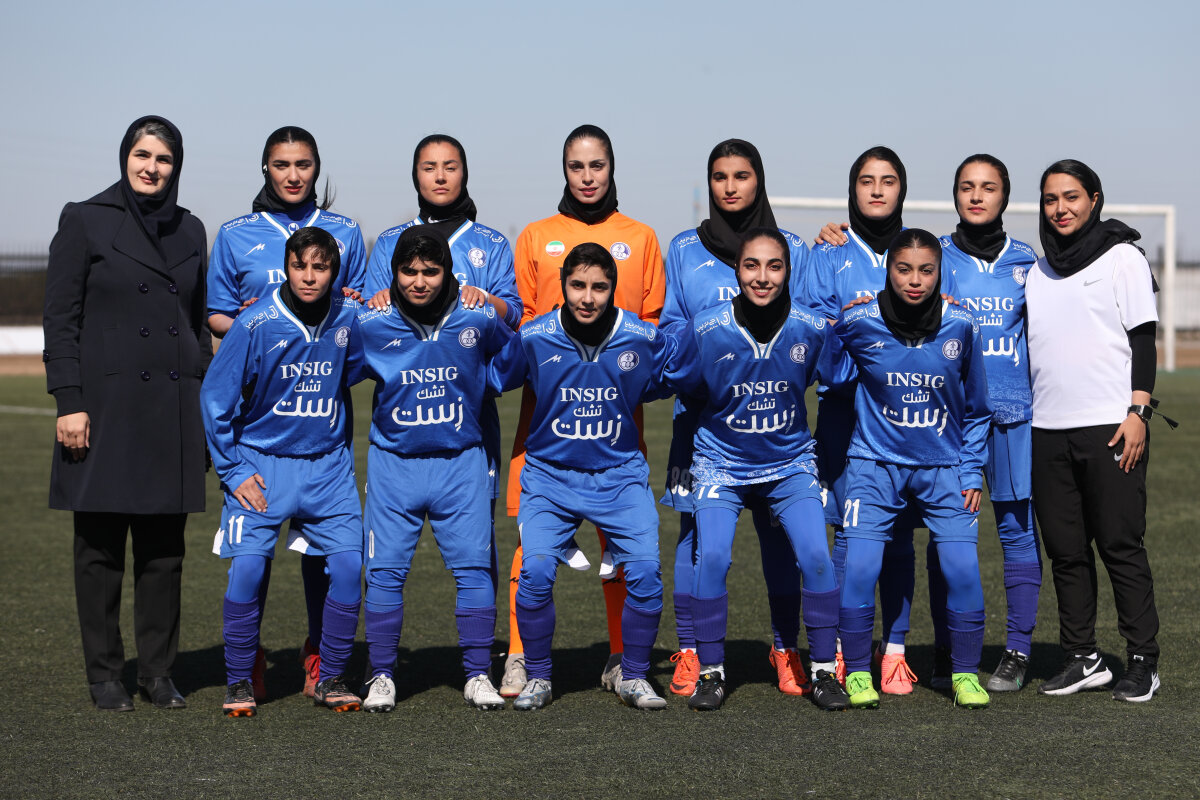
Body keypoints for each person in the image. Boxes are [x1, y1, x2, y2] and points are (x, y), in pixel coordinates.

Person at [44, 115, 209, 711]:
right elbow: (60, 318)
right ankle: (105, 675)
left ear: (176, 166)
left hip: (172, 408)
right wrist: (69, 402)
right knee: (99, 550)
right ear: (125, 157)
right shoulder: (85, 219)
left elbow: (195, 325)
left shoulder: (191, 229)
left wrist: (199, 397)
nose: (152, 167)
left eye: (164, 159)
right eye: (143, 155)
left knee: (165, 553)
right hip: (103, 409)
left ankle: (158, 673)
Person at [500, 125, 665, 697]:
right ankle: (520, 657)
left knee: (625, 549)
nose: (588, 176)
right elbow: (521, 327)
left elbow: (651, 331)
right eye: (577, 166)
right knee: (532, 547)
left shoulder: (641, 237)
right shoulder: (536, 236)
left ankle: (622, 658)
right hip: (546, 423)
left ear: (612, 168)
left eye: (597, 165)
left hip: (618, 425)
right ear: (564, 170)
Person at [206, 126, 367, 699]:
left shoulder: (347, 231)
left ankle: (326, 665)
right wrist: (260, 329)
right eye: (281, 164)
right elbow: (218, 317)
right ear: (265, 168)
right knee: (250, 566)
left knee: (342, 564)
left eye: (303, 164)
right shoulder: (236, 237)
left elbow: (361, 323)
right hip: (263, 442)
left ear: (317, 168)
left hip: (325, 450)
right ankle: (242, 671)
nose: (293, 174)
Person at [488, 243, 680, 711]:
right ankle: (538, 676)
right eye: (578, 285)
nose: (588, 297)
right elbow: (495, 376)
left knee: (647, 572)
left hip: (619, 474)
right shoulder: (535, 336)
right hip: (549, 477)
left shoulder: (640, 335)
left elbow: (677, 371)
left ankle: (634, 675)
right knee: (534, 569)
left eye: (599, 287)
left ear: (613, 289)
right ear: (563, 286)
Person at [667, 229, 847, 712]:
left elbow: (839, 374)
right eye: (752, 265)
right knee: (713, 557)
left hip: (789, 463)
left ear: (788, 271)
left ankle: (824, 669)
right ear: (737, 270)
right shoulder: (707, 327)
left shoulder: (812, 326)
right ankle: (711, 671)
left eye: (774, 266)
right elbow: (681, 381)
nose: (762, 277)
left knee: (816, 555)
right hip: (720, 464)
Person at [659, 140, 814, 698]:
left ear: (759, 181)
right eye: (720, 176)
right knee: (695, 537)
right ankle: (692, 651)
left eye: (741, 175)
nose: (730, 186)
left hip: (771, 428)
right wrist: (702, 364)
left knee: (779, 540)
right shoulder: (684, 248)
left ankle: (785, 648)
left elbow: (809, 325)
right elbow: (672, 327)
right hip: (700, 423)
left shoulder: (792, 247)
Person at [806, 146, 958, 693]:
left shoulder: (922, 251)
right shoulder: (829, 251)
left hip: (909, 418)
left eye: (888, 180)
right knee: (849, 534)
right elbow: (816, 330)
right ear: (852, 189)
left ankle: (894, 650)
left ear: (902, 189)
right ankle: (843, 650)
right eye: (866, 180)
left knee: (898, 537)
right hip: (846, 413)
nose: (876, 189)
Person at [350, 227, 514, 712]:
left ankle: (478, 673)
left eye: (430, 271)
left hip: (461, 462)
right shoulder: (371, 322)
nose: (419, 281)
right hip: (394, 464)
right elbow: (336, 365)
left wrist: (485, 380)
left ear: (448, 273)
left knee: (474, 570)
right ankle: (381, 674)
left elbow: (514, 357)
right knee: (384, 573)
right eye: (408, 271)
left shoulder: (477, 315)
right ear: (394, 273)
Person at [828, 228, 992, 710]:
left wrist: (970, 470)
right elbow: (829, 374)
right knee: (860, 568)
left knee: (962, 570)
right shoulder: (860, 320)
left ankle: (965, 674)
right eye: (904, 269)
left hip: (945, 468)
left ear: (940, 274)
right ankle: (859, 672)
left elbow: (977, 408)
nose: (915, 280)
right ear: (888, 271)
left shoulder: (961, 325)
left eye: (926, 270)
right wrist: (838, 328)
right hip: (873, 465)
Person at [1026, 159, 1163, 702]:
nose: (1060, 208)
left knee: (1120, 545)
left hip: (1111, 427)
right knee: (1065, 551)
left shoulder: (1122, 257)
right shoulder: (1037, 271)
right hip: (1046, 430)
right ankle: (1082, 657)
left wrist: (1139, 414)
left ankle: (1143, 660)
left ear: (1095, 200)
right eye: (1050, 199)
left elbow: (1144, 340)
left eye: (1071, 197)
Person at [937, 154, 1042, 691]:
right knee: (947, 535)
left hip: (1014, 418)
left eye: (988, 187)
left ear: (1005, 196)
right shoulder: (934, 256)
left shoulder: (1028, 261)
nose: (977, 196)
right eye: (967, 187)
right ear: (955, 194)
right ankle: (948, 648)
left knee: (1017, 533)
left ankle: (1018, 651)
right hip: (949, 422)